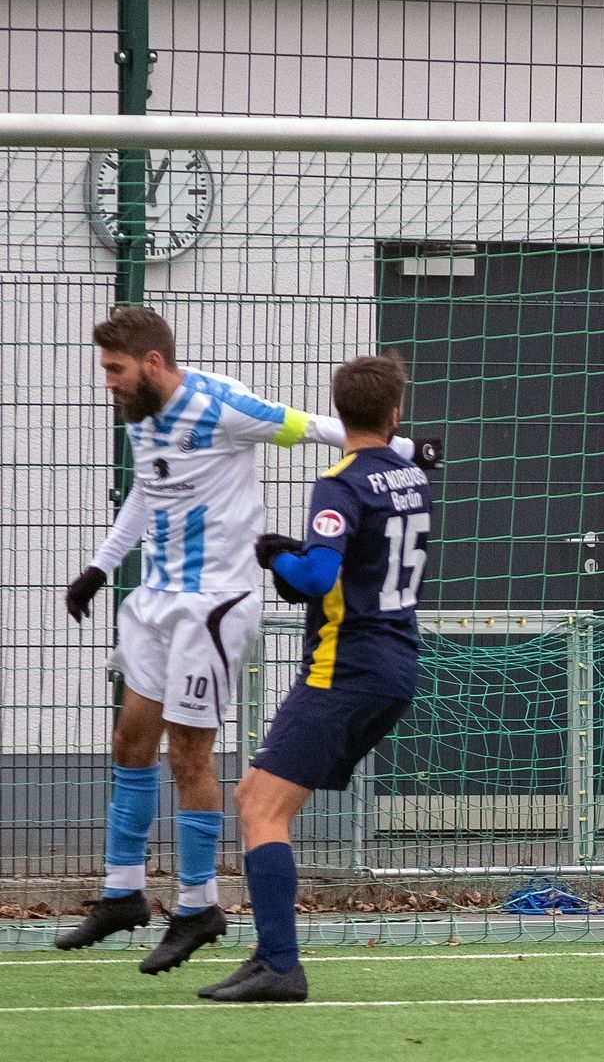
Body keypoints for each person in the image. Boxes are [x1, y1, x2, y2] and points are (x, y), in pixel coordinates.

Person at [56, 307, 435, 973]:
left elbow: (316, 426)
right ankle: (122, 893)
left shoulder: (220, 404)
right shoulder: (140, 413)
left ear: (151, 362)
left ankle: (197, 906)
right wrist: (101, 566)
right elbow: (148, 488)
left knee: (189, 755)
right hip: (156, 599)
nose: (107, 381)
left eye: (115, 369)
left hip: (213, 602)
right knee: (131, 739)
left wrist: (404, 451)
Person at [195, 354, 433, 1003]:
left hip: (345, 668)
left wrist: (277, 557)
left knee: (258, 806)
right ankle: (269, 952)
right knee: (260, 797)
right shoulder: (412, 477)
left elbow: (318, 577)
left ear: (339, 409)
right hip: (396, 663)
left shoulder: (340, 483)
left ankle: (281, 966)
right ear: (395, 413)